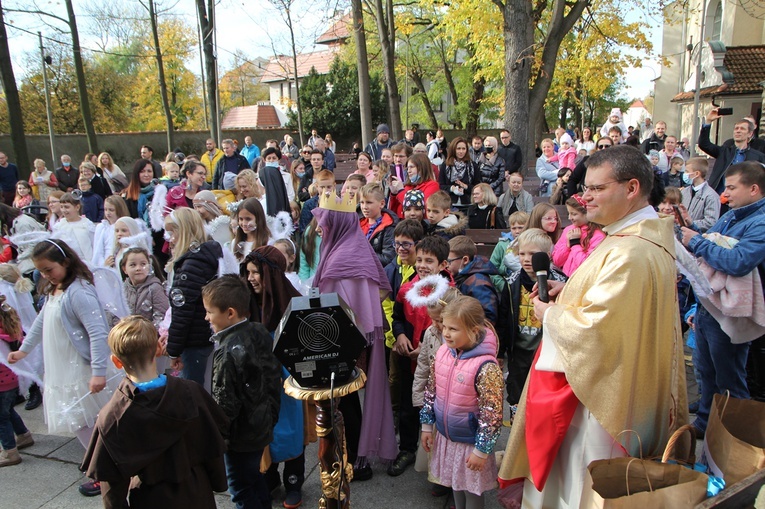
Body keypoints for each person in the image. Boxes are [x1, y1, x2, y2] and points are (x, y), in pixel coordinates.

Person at [498, 144, 688, 507]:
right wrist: (569, 290)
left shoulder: (630, 251)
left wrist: (549, 314)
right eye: (585, 188)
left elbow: (597, 330)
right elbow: (621, 307)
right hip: (625, 383)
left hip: (604, 403)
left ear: (631, 188)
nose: (586, 197)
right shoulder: (633, 237)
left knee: (584, 485)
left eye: (597, 188)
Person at [8, 239, 121, 496]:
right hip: (64, 367)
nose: (45, 275)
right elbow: (41, 322)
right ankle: (103, 467)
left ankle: (105, 470)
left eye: (49, 269)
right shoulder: (55, 288)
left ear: (65, 262)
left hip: (80, 368)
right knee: (82, 422)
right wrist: (24, 349)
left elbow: (97, 332)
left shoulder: (79, 292)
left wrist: (99, 372)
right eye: (42, 271)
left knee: (83, 420)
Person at [80, 316, 229, 508]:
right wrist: (218, 482)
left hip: (149, 497)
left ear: (116, 361)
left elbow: (111, 483)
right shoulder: (191, 392)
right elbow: (210, 441)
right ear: (159, 350)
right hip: (195, 491)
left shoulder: (112, 415)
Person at [311, 192, 397, 479]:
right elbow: (380, 287)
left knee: (344, 399)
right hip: (360, 335)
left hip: (346, 341)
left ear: (335, 221)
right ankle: (356, 458)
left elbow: (334, 307)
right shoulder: (353, 244)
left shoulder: (342, 256)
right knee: (346, 399)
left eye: (323, 222)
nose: (319, 228)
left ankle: (355, 461)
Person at [679, 161, 765, 437]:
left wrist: (697, 241)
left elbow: (738, 261)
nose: (724, 194)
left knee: (729, 378)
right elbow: (708, 249)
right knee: (706, 372)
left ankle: (736, 439)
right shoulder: (732, 214)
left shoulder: (760, 222)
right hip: (710, 306)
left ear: (754, 189)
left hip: (731, 312)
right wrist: (691, 229)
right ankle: (705, 424)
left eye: (730, 187)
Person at [201, 276, 282, 509]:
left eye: (209, 312)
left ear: (230, 313)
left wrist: (218, 438)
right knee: (255, 480)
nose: (206, 317)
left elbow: (225, 405)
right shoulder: (257, 330)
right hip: (261, 425)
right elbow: (272, 376)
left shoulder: (228, 352)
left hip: (241, 438)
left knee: (241, 490)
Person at [239, 248, 309, 507]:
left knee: (290, 431)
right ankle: (269, 479)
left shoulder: (291, 302)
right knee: (262, 431)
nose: (251, 278)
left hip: (286, 380)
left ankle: (294, 482)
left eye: (256, 272)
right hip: (258, 381)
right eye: (248, 273)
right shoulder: (246, 301)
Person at [420, 296, 503, 509]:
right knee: (456, 484)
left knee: (472, 490)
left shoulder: (486, 366)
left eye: (454, 329)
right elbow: (431, 391)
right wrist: (427, 426)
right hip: (448, 438)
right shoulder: (442, 353)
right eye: (444, 326)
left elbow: (491, 414)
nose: (446, 333)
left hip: (470, 443)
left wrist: (481, 450)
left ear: (474, 331)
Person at [164, 208, 222, 386]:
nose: (170, 239)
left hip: (194, 340)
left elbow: (182, 312)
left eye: (173, 232)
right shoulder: (203, 257)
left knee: (192, 393)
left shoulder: (191, 265)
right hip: (205, 336)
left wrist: (173, 350)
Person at [698, 108, 765, 195]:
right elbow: (704, 144)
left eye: (742, 129)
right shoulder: (724, 151)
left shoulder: (758, 157)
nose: (738, 131)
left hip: (743, 199)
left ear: (750, 134)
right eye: (736, 128)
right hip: (719, 196)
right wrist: (708, 121)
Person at [0, 297, 34, 467]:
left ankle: (10, 452)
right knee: (7, 411)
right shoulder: (8, 327)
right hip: (11, 380)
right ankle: (23, 435)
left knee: (1, 418)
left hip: (1, 382)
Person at [446, 236, 499, 324]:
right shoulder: (459, 277)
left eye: (449, 261)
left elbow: (488, 317)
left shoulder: (478, 283)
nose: (446, 265)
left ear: (465, 260)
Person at [552, 194, 606, 276]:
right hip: (564, 279)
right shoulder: (568, 230)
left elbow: (587, 265)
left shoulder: (598, 236)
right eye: (569, 213)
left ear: (586, 213)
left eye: (574, 214)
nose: (569, 218)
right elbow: (557, 261)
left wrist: (575, 244)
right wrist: (567, 246)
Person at [121, 246, 168, 326]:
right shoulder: (122, 289)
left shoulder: (155, 288)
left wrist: (148, 334)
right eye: (133, 265)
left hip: (148, 336)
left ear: (149, 266)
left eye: (143, 264)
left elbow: (161, 315)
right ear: (124, 269)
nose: (138, 268)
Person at [388, 153, 440, 219]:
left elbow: (422, 208)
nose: (408, 171)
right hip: (400, 224)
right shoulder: (407, 186)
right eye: (408, 168)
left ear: (422, 168)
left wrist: (401, 191)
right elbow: (392, 212)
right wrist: (394, 193)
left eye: (412, 167)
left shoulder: (432, 185)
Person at [360, 183, 399, 267]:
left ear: (381, 204)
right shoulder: (358, 224)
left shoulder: (389, 226)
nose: (364, 207)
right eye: (362, 202)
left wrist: (362, 254)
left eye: (369, 202)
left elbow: (388, 259)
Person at [678, 157, 720, 233]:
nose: (685, 174)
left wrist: (690, 222)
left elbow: (710, 222)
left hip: (698, 236)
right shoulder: (684, 192)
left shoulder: (711, 196)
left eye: (687, 171)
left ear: (697, 174)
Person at [52, 192, 96, 261]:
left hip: (86, 262)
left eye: (67, 207)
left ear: (77, 207)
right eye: (61, 207)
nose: (63, 210)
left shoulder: (87, 224)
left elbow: (94, 245)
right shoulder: (59, 226)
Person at [230, 198, 271, 262]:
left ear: (258, 219)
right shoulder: (235, 242)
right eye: (241, 219)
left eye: (248, 219)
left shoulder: (269, 242)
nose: (244, 223)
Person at [122, 159, 157, 227]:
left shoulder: (160, 192)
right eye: (142, 172)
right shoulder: (129, 194)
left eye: (149, 171)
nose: (146, 175)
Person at [258, 147, 292, 216]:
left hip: (283, 208)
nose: (271, 160)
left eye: (274, 158)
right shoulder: (261, 175)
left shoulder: (287, 176)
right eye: (269, 158)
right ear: (264, 160)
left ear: (278, 160)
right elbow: (260, 194)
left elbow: (290, 195)